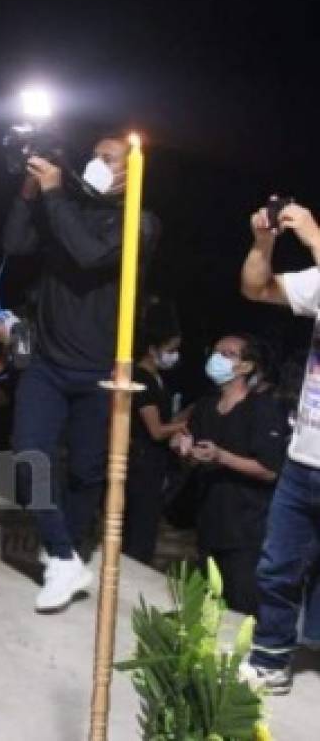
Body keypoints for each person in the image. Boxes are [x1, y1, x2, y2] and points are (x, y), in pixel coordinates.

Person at [1, 135, 159, 613]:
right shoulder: (62, 207)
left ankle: (66, 549)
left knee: (88, 471)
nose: (95, 163)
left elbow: (89, 254)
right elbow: (14, 243)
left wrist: (53, 197)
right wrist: (32, 192)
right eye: (92, 154)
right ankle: (63, 556)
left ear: (131, 172)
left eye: (107, 158)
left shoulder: (140, 223)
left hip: (101, 370)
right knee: (30, 452)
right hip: (48, 362)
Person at [239, 201, 320, 692]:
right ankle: (270, 660)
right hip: (304, 456)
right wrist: (263, 243)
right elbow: (255, 287)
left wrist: (313, 234)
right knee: (278, 565)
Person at [170, 334, 285, 615]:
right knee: (207, 611)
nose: (216, 358)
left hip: (245, 531)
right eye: (216, 350)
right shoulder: (206, 407)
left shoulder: (262, 409)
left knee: (242, 610)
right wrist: (185, 452)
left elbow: (270, 470)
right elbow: (194, 459)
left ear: (246, 367)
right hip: (209, 523)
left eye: (227, 353)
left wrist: (222, 456)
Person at [121, 306, 187, 565]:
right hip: (142, 461)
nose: (174, 355)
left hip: (154, 462)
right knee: (140, 523)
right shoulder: (141, 378)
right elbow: (156, 430)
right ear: (152, 348)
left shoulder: (157, 378)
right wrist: (182, 425)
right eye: (170, 349)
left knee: (147, 523)